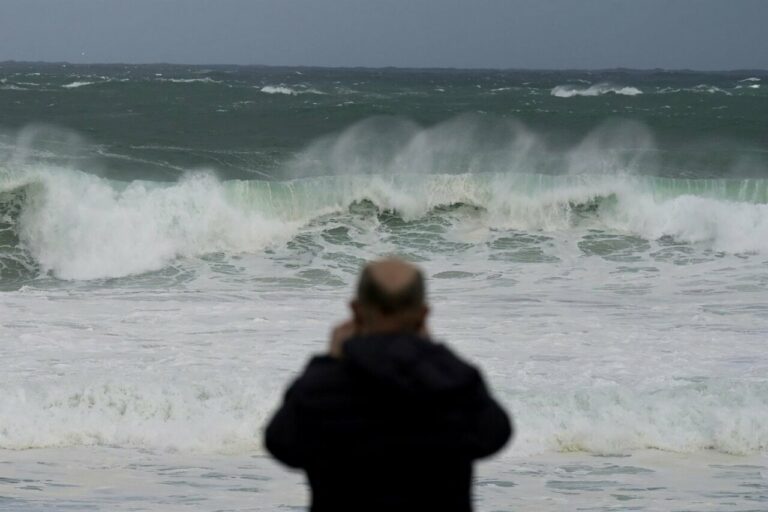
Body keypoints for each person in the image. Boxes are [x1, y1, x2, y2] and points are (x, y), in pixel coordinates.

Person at [264, 257, 512, 512]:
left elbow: (281, 444)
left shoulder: (323, 388)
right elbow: (496, 435)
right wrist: (431, 354)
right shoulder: (453, 384)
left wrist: (330, 361)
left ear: (356, 310)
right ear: (423, 314)